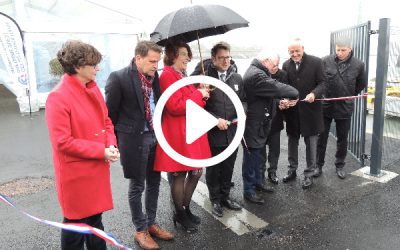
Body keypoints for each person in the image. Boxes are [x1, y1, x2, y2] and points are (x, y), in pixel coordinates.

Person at [45, 40, 120, 249]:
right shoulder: (58, 97)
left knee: (95, 220)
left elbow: (106, 121)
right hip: (76, 175)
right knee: (75, 226)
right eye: (93, 64)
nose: (98, 68)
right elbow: (62, 142)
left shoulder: (92, 88)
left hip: (95, 167)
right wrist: (101, 151)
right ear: (78, 66)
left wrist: (111, 144)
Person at [105, 41, 173, 250]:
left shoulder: (156, 77)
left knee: (154, 182)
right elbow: (110, 114)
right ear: (138, 58)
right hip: (134, 140)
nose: (156, 65)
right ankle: (140, 230)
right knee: (137, 186)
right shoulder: (119, 78)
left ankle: (151, 223)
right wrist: (116, 141)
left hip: (155, 137)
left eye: (158, 61)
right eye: (152, 61)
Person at [154, 40, 211, 233]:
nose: (187, 57)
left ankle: (185, 209)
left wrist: (201, 93)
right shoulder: (167, 76)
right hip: (177, 132)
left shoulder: (181, 75)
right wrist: (197, 95)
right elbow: (175, 107)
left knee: (195, 171)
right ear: (171, 56)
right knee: (179, 173)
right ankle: (180, 212)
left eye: (188, 53)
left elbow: (195, 105)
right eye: (182, 53)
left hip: (190, 130)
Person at [191, 41, 244, 217]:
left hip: (232, 132)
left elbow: (243, 100)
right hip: (214, 132)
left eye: (228, 57)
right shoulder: (204, 79)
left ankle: (225, 196)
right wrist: (214, 120)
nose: (226, 61)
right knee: (214, 168)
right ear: (213, 59)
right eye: (221, 58)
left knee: (228, 166)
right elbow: (196, 107)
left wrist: (241, 115)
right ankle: (215, 200)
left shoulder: (236, 78)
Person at [242, 50, 299, 204]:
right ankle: (249, 190)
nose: (274, 68)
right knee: (251, 158)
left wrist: (278, 102)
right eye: (273, 65)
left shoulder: (258, 71)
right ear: (266, 60)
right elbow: (275, 88)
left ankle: (258, 183)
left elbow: (264, 97)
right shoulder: (256, 74)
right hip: (253, 125)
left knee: (258, 156)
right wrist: (294, 92)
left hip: (260, 123)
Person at [315, 38, 366, 179]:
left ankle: (339, 165)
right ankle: (318, 166)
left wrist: (348, 95)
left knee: (342, 138)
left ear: (350, 48)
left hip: (345, 106)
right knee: (321, 137)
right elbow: (319, 80)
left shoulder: (359, 65)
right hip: (326, 105)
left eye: (343, 50)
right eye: (338, 49)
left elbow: (361, 84)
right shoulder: (325, 61)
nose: (340, 53)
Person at [282, 38, 325, 189]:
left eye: (297, 51)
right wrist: (285, 99)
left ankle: (309, 174)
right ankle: (291, 170)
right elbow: (284, 86)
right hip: (293, 112)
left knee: (311, 145)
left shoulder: (316, 62)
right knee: (292, 143)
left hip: (311, 112)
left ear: (303, 48)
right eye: (291, 52)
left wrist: (314, 93)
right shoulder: (286, 64)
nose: (294, 54)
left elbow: (323, 83)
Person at [259, 54, 289, 185]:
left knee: (275, 149)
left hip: (276, 118)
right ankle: (260, 173)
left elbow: (286, 92)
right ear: (266, 63)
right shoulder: (260, 74)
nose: (274, 68)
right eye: (272, 66)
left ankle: (272, 171)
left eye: (277, 65)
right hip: (262, 118)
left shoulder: (283, 75)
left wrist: (285, 101)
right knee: (260, 149)